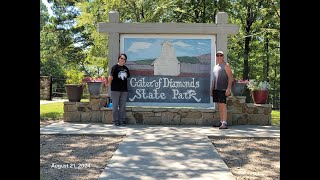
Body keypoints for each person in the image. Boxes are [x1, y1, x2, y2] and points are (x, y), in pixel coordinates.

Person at [210, 50, 233, 129]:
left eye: (221, 55)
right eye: (218, 55)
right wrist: (211, 89)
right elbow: (214, 79)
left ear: (223, 56)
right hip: (216, 89)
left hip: (223, 88)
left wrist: (228, 89)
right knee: (219, 106)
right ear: (216, 57)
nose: (219, 57)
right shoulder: (215, 67)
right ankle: (221, 121)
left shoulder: (226, 65)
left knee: (223, 105)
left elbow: (230, 77)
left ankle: (225, 123)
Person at [107, 53, 131, 126]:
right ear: (119, 58)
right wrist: (109, 83)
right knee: (115, 106)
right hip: (115, 90)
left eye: (124, 59)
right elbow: (110, 76)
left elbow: (127, 77)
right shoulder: (114, 67)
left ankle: (122, 121)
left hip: (124, 90)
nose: (123, 60)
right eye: (121, 58)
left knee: (122, 106)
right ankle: (116, 121)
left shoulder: (126, 69)